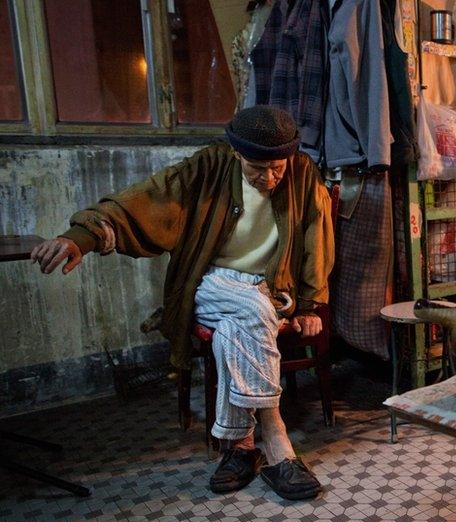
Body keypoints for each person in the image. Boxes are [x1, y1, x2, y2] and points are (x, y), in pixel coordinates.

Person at [30, 106, 334, 501]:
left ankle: (239, 448)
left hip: (269, 289)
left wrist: (310, 303)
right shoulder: (206, 169)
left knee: (235, 328)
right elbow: (144, 200)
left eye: (278, 167)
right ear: (237, 153)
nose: (271, 178)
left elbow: (317, 240)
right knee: (252, 310)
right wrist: (81, 239)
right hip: (211, 284)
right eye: (259, 168)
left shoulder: (302, 175)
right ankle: (278, 444)